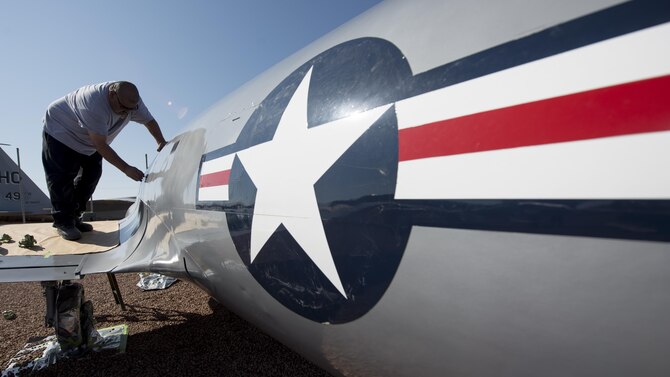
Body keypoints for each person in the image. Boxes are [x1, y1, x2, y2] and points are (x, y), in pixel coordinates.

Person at [42, 81, 168, 240]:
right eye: (123, 108)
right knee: (62, 176)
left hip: (89, 139)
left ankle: (74, 216)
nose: (125, 113)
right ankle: (64, 221)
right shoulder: (93, 104)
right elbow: (100, 145)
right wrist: (126, 168)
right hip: (62, 132)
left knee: (92, 174)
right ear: (112, 95)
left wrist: (160, 141)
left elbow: (149, 121)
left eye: (130, 110)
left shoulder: (132, 103)